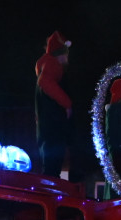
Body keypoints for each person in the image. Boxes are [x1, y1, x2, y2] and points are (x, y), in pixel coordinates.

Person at [35, 31, 73, 178]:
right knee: (52, 169)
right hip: (54, 126)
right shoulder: (53, 65)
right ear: (61, 53)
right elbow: (45, 82)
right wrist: (67, 104)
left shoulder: (46, 65)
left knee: (49, 166)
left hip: (47, 127)